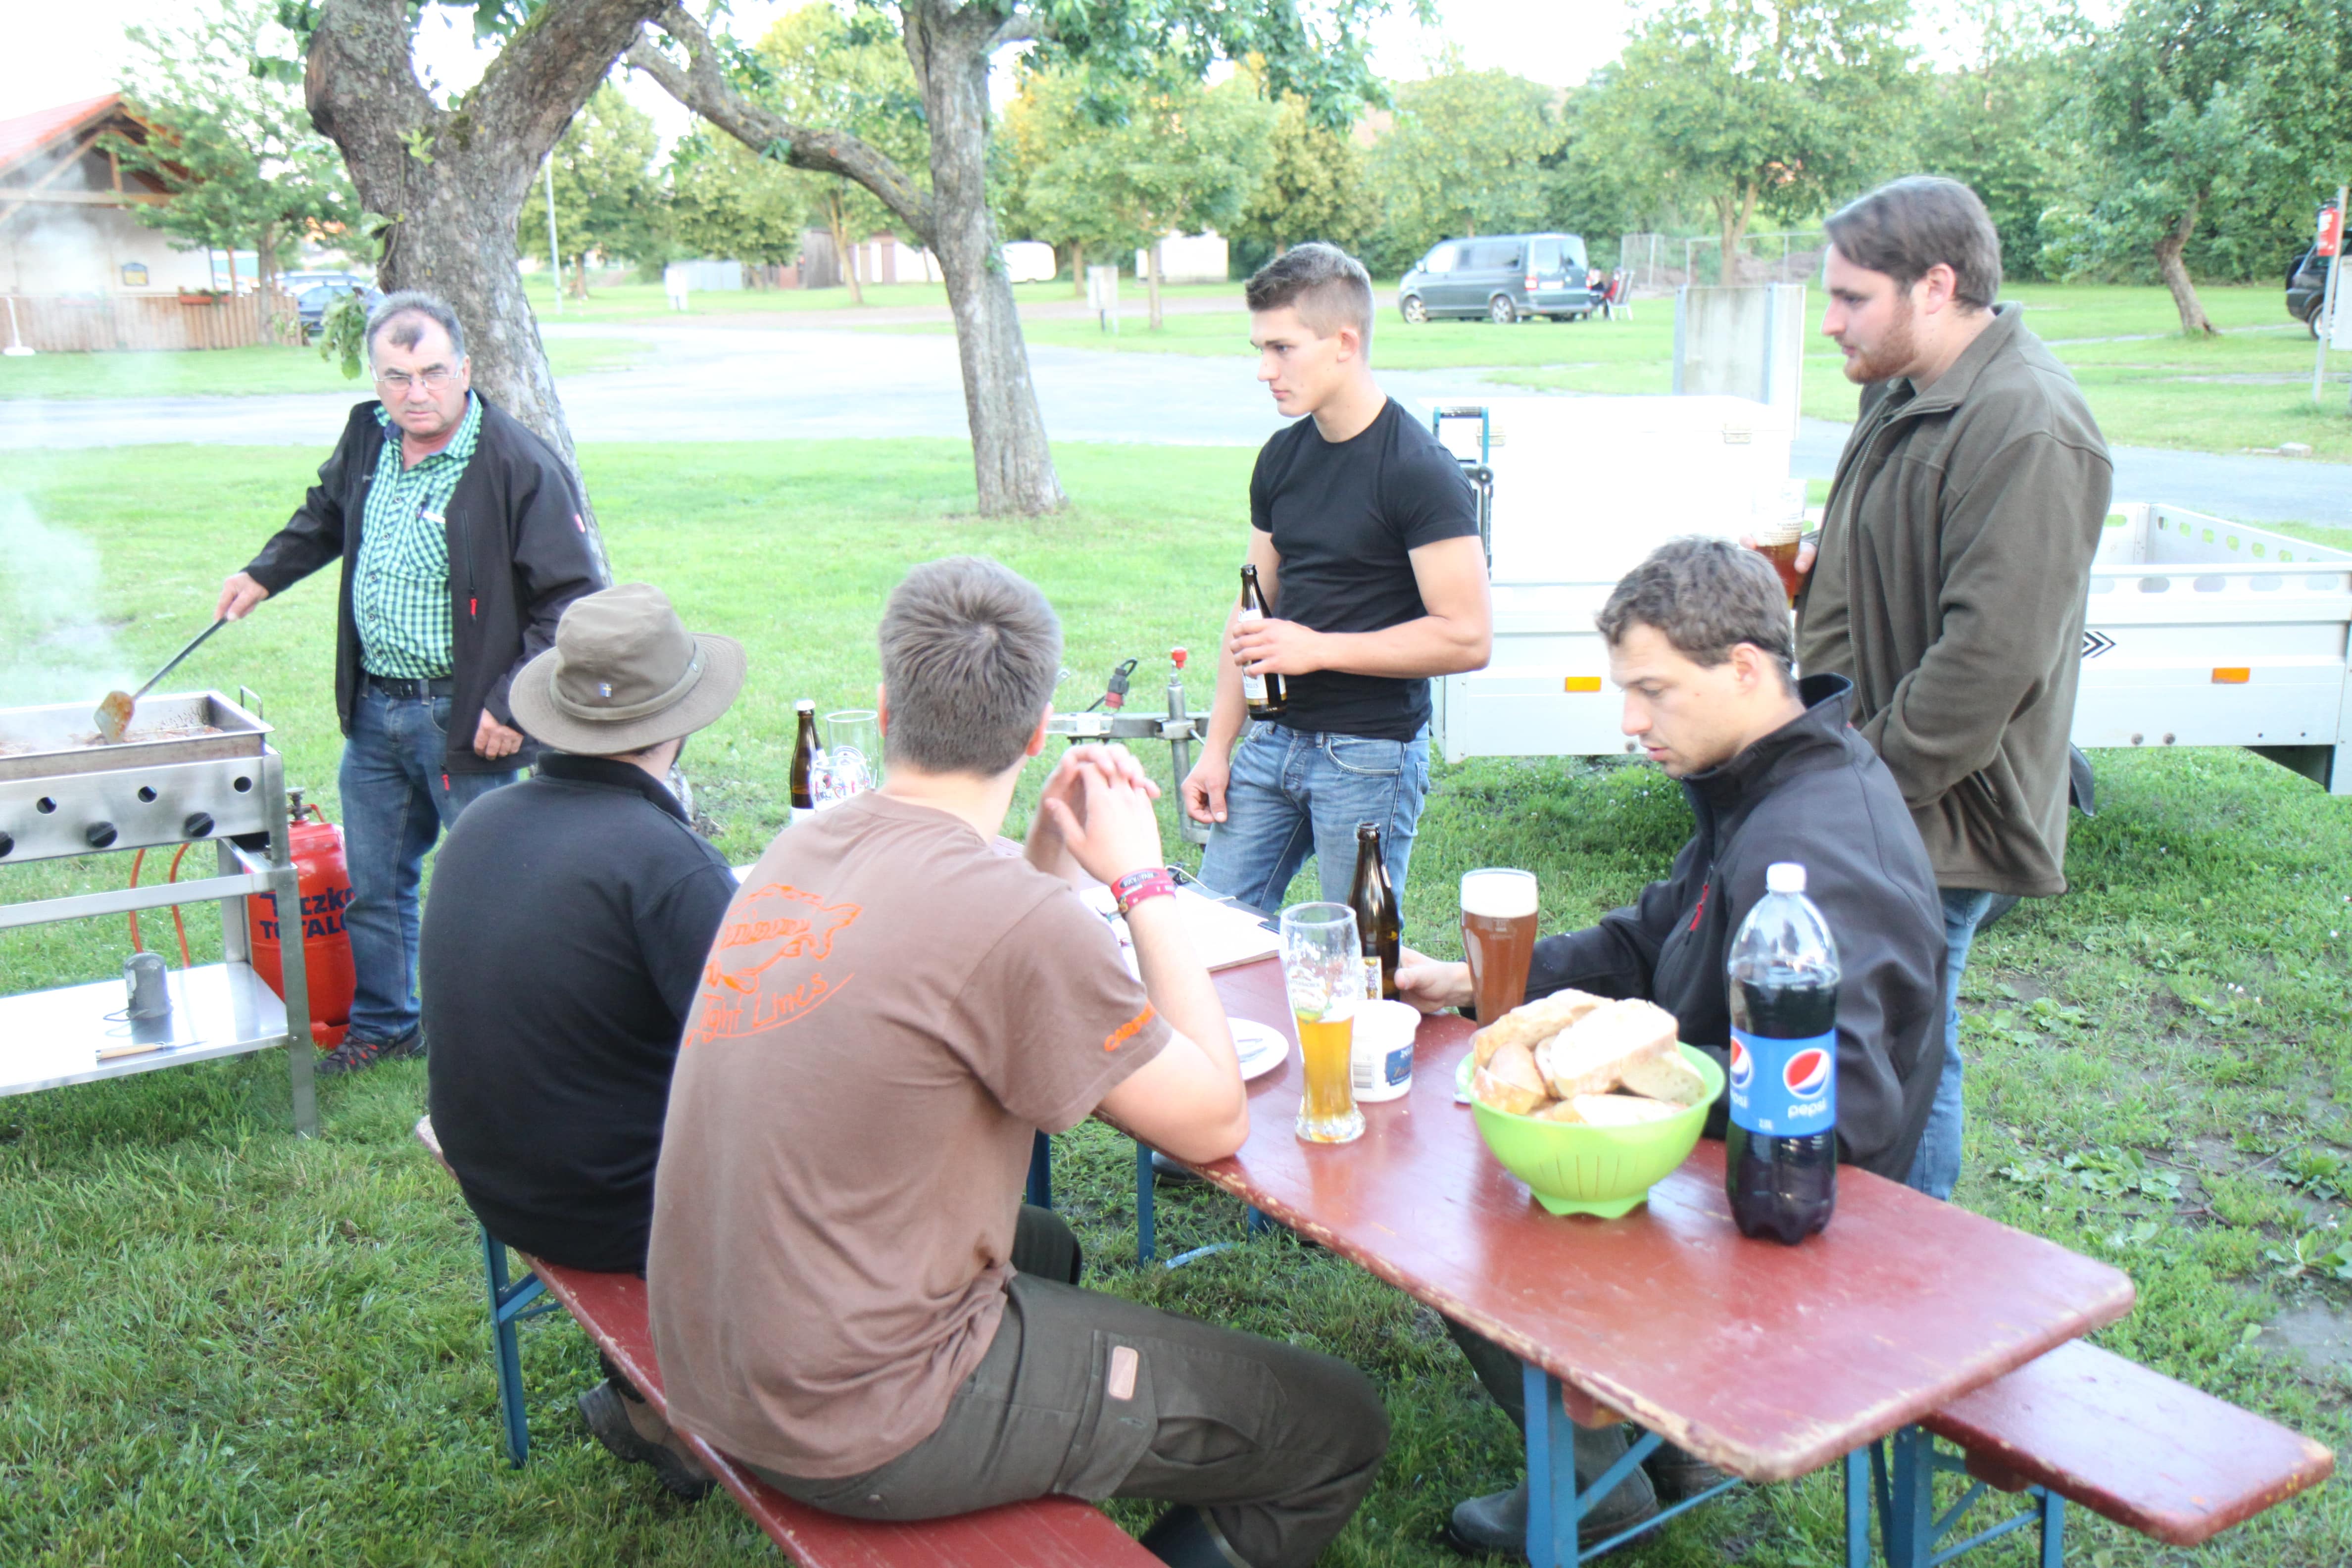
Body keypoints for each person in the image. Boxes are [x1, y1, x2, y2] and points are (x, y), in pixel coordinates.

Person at [648, 557, 1389, 1568]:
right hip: (854, 1416)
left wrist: (1040, 848)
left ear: (887, 705)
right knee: (1336, 1423)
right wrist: (1145, 884)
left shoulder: (804, 849)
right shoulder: (1012, 919)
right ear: (1039, 732)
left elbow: (979, 945)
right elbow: (1215, 1121)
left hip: (712, 1356)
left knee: (1044, 1251)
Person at [1395, 538, 1947, 1557]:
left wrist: (1622, 1102)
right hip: (1723, 1171)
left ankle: (1600, 1484)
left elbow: (1845, 1117)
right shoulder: (1760, 788)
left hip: (1791, 1220)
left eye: (1652, 691)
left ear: (1744, 668)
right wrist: (1481, 985)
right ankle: (1650, 1443)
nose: (1629, 722)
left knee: (1467, 1229)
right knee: (1474, 1165)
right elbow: (1650, 942)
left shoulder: (1816, 844)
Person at [1782, 176, 2112, 1201]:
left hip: (1940, 804)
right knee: (1870, 1028)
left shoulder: (2030, 424)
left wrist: (1856, 785)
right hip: (1862, 779)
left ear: (1934, 286)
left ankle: (1912, 1264)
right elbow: (1865, 571)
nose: (1830, 323)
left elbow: (1987, 665)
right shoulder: (1901, 390)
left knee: (1910, 1044)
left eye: (1851, 299)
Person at [216, 291, 606, 1076]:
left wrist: (509, 702)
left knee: (494, 885)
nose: (415, 393)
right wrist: (263, 574)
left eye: (432, 372)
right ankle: (388, 1025)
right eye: (397, 377)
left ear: (465, 368)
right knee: (373, 885)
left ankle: (516, 1035)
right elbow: (326, 515)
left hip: (464, 716)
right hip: (375, 709)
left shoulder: (517, 465)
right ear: (377, 379)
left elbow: (570, 599)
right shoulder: (370, 434)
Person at [421, 582, 742, 1498]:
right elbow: (761, 1065)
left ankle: (647, 1398)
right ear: (680, 723)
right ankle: (713, 1404)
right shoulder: (665, 862)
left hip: (499, 1178)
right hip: (608, 1212)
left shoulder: (484, 820)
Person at [1182, 242, 1491, 909]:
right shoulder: (1281, 457)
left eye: (1282, 349)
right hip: (1273, 741)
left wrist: (1317, 649)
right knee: (1209, 934)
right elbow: (1251, 613)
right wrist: (1217, 748)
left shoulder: (1419, 470)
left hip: (1369, 755)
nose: (1264, 370)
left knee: (1356, 953)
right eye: (1260, 349)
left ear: (1345, 343)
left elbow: (1468, 638)